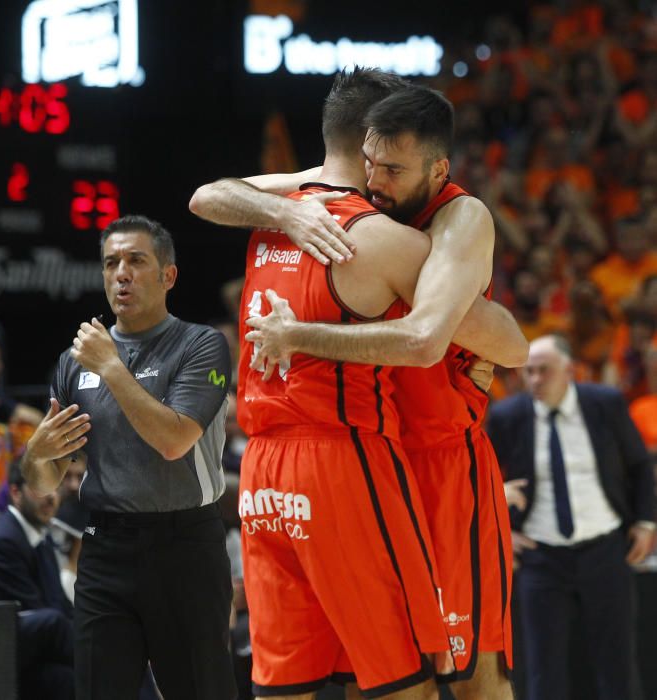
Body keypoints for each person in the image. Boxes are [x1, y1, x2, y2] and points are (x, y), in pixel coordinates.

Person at [190, 80, 528, 699]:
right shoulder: (337, 198)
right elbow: (207, 195)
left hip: (439, 460)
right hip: (374, 459)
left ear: (435, 166)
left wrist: (299, 335)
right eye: (371, 162)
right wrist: (285, 209)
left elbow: (506, 340)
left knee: (473, 672)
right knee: (367, 670)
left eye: (393, 169)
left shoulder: (457, 220)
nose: (376, 181)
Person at [21, 215, 236, 700]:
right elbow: (42, 482)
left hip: (186, 547)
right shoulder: (75, 361)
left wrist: (113, 368)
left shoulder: (201, 345)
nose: (122, 273)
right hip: (106, 547)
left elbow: (174, 440)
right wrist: (35, 453)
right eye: (111, 262)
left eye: (137, 261)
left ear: (168, 276)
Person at [487, 334, 655, 700]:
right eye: (528, 372)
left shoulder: (604, 404)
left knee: (618, 663)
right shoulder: (507, 416)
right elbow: (477, 481)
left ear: (570, 370)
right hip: (541, 555)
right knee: (542, 668)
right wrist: (501, 530)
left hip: (606, 547)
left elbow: (641, 465)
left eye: (543, 371)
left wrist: (645, 522)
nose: (534, 380)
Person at [0, 459, 74, 699]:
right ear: (15, 492)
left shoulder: (41, 535)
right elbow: (34, 609)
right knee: (54, 624)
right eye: (41, 488)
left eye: (55, 488)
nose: (51, 497)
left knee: (71, 678)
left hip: (24, 653)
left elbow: (59, 601)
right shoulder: (2, 541)